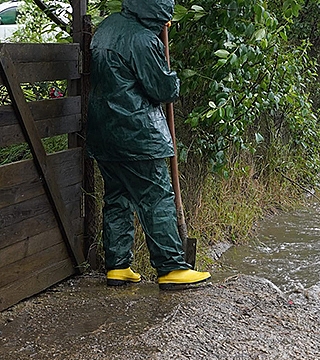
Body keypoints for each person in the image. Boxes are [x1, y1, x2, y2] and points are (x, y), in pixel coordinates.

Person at [87, 0, 211, 290]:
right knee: (156, 198)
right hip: (139, 135)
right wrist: (172, 78)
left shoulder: (106, 28)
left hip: (104, 133)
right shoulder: (143, 40)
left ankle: (118, 267)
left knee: (117, 198)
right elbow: (163, 90)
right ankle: (171, 268)